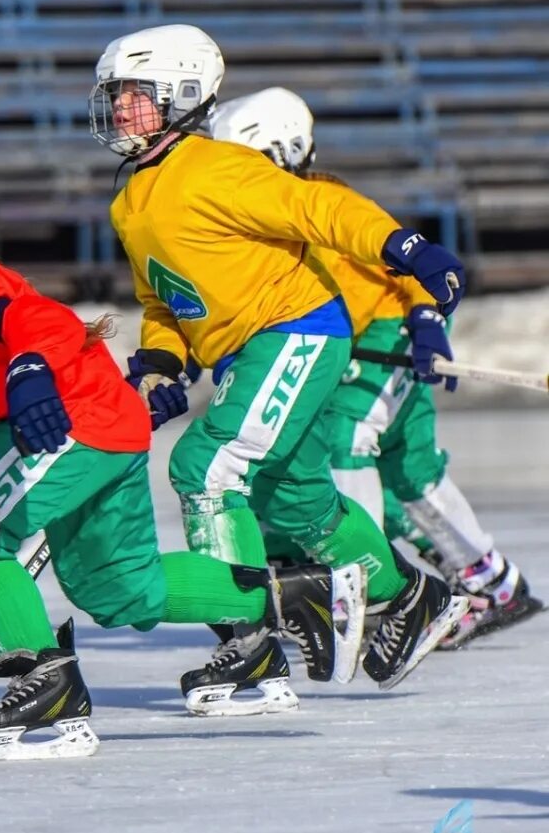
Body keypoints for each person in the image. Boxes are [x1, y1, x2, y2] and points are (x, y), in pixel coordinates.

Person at [0, 162, 369, 761]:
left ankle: (46, 681)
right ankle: (298, 594)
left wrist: (30, 368)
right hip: (97, 433)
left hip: (69, 423)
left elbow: (35, 319)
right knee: (119, 589)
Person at [90, 25, 469, 715]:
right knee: (294, 503)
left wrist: (406, 248)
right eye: (115, 96)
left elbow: (318, 206)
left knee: (205, 468)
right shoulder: (130, 200)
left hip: (293, 332)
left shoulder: (217, 168)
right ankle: (410, 595)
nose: (119, 110)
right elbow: (163, 297)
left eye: (135, 96)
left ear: (181, 96)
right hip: (247, 352)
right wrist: (158, 361)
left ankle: (251, 646)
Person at [207, 87, 540, 658]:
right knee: (409, 472)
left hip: (388, 334)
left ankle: (365, 587)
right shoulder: (259, 219)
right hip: (341, 348)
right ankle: (490, 582)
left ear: (282, 152)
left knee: (347, 439)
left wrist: (428, 320)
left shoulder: (319, 201)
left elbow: (403, 263)